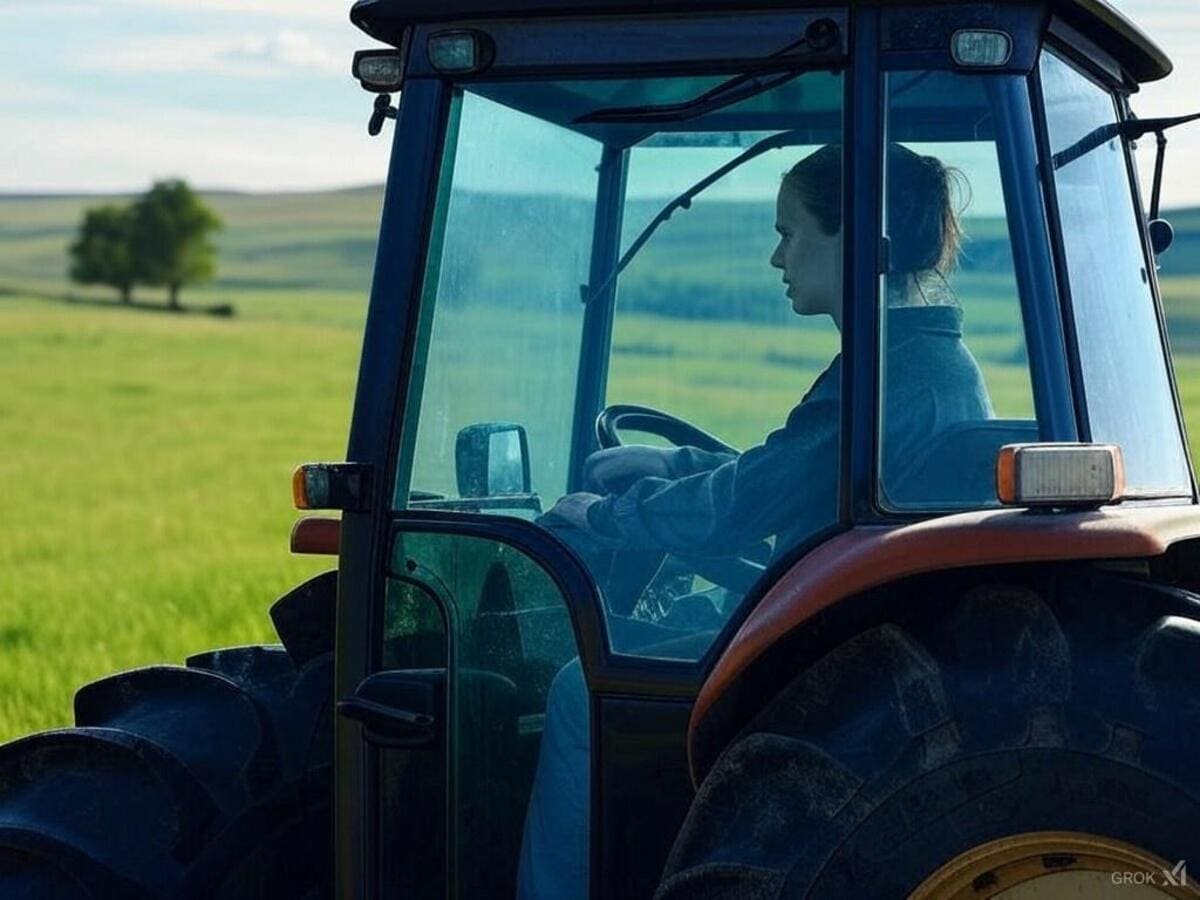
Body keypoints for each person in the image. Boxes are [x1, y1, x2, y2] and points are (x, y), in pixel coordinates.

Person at [516, 144, 994, 899]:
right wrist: (672, 468)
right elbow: (799, 471)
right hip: (839, 623)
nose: (777, 256)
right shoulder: (913, 361)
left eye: (791, 232)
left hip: (825, 646)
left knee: (580, 688)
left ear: (858, 239)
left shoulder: (892, 376)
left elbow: (743, 507)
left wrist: (604, 516)